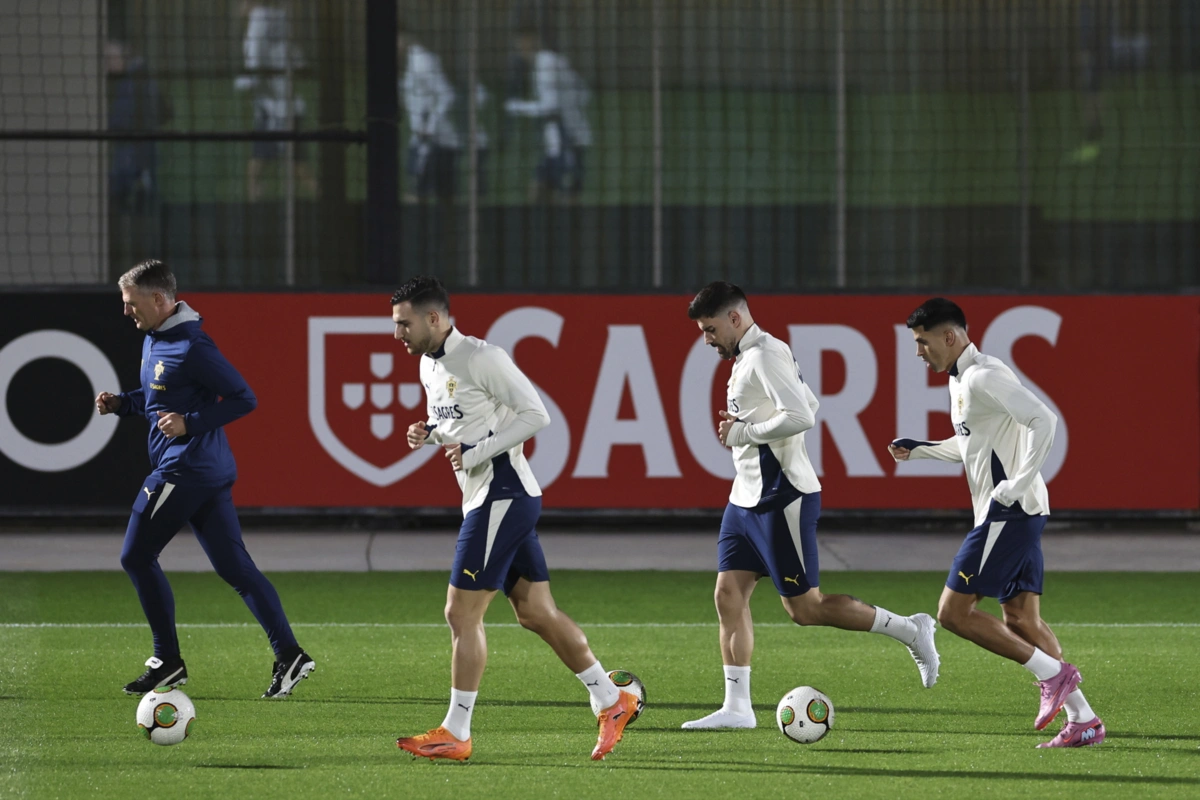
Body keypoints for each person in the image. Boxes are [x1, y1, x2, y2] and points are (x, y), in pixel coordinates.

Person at [391, 276, 637, 762]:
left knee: (460, 613)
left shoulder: (483, 357)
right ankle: (613, 700)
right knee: (536, 613)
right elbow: (462, 425)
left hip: (502, 494)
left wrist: (477, 450)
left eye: (404, 323)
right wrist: (432, 433)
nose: (398, 332)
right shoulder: (428, 365)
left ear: (435, 318)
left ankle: (456, 732)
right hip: (492, 496)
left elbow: (535, 415)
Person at [682, 281, 940, 730]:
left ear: (736, 318)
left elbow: (804, 414)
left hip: (782, 496)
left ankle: (910, 629)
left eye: (710, 329)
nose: (706, 339)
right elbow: (808, 400)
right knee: (727, 595)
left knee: (806, 609)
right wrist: (753, 424)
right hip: (744, 498)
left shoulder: (764, 354)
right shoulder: (751, 354)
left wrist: (744, 432)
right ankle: (738, 708)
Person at [889, 297, 1104, 748]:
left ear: (949, 336)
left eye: (922, 342)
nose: (917, 352)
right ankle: (1083, 720)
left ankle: (1053, 675)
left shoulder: (984, 375)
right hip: (1021, 511)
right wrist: (922, 449)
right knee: (1022, 618)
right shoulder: (962, 379)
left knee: (952, 613)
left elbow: (1043, 419)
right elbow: (972, 445)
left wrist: (1018, 481)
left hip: (1008, 512)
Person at [95, 259, 315, 699]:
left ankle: (166, 661)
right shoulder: (157, 338)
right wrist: (123, 404)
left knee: (135, 556)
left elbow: (243, 398)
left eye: (131, 303)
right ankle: (290, 655)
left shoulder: (193, 345)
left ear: (158, 300)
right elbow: (160, 399)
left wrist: (190, 424)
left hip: (185, 469)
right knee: (235, 567)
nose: (126, 312)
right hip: (204, 472)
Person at [235, 0, 318, 201]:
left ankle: (325, 201)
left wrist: (243, 83)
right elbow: (297, 59)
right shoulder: (280, 19)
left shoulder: (258, 23)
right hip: (287, 106)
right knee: (262, 166)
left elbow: (255, 63)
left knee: (293, 167)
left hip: (274, 111)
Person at [397, 24, 489, 203]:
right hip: (427, 142)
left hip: (436, 143)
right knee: (441, 198)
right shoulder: (410, 62)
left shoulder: (421, 62)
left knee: (420, 197)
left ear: (405, 37)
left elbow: (446, 94)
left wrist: (429, 127)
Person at [504, 26, 591, 203]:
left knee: (564, 192)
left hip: (569, 138)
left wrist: (517, 107)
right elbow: (584, 93)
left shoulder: (546, 65)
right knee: (542, 183)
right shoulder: (550, 61)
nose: (519, 50)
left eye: (521, 45)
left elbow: (549, 106)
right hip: (562, 136)